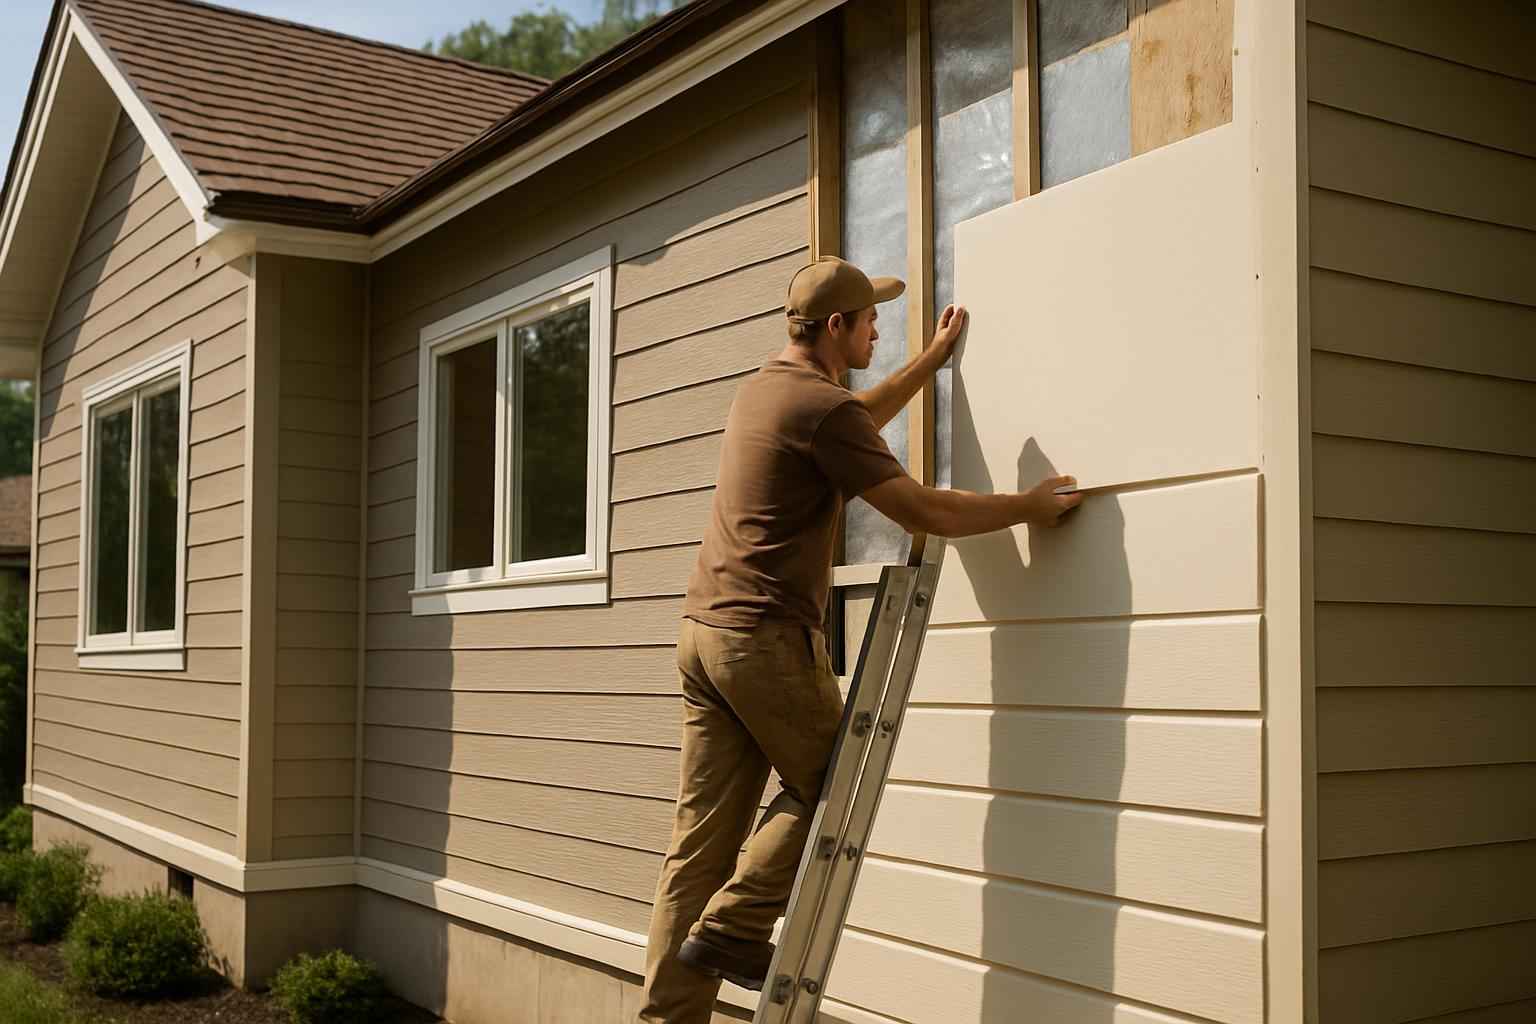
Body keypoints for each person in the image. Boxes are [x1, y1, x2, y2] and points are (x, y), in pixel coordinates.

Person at [636, 256, 1083, 1022]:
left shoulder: (767, 391)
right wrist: (1030, 507)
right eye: (871, 318)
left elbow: (854, 420)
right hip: (765, 640)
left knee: (697, 850)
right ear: (837, 326)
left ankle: (667, 1013)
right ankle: (735, 928)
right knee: (833, 787)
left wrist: (929, 364)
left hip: (704, 634)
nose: (879, 327)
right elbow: (922, 510)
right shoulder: (822, 409)